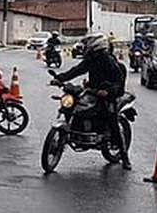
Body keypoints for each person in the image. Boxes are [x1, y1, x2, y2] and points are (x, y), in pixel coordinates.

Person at [51, 34, 132, 169]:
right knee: (77, 105)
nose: (86, 47)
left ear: (96, 45)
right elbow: (77, 70)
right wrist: (60, 79)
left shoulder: (109, 60)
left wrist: (108, 91)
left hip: (108, 94)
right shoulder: (91, 59)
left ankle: (124, 156)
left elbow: (117, 81)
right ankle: (75, 130)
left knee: (112, 120)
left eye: (89, 45)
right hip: (92, 91)